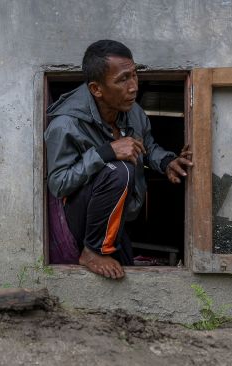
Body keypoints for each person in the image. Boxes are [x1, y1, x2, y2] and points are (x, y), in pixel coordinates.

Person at [44, 40, 193, 279]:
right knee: (119, 169)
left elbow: (148, 146)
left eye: (134, 75)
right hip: (77, 221)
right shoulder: (66, 125)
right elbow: (58, 184)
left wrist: (167, 162)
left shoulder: (133, 112)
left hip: (116, 220)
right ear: (96, 89)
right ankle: (92, 251)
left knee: (125, 274)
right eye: (123, 79)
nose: (133, 87)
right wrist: (105, 153)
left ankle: (101, 247)